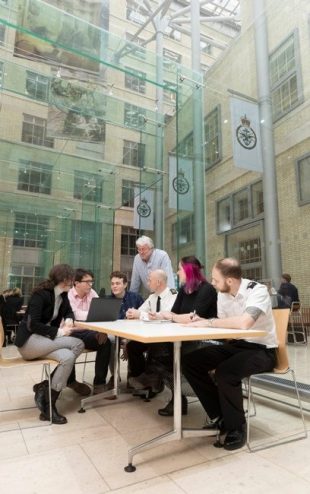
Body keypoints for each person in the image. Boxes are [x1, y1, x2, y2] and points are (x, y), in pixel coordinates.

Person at [182, 258, 278, 451]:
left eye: (216, 280)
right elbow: (225, 327)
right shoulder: (223, 295)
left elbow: (244, 323)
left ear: (230, 281)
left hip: (263, 350)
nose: (213, 283)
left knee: (225, 372)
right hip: (237, 345)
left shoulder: (257, 291)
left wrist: (209, 323)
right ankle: (221, 415)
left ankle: (236, 427)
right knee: (190, 361)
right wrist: (203, 321)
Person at [14, 264, 86, 425]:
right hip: (29, 343)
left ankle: (48, 405)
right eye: (70, 279)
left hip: (44, 341)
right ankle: (46, 388)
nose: (72, 282)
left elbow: (68, 311)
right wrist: (59, 333)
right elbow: (33, 325)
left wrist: (68, 319)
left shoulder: (63, 295)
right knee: (78, 344)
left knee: (67, 357)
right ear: (61, 279)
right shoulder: (40, 294)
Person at [155, 256, 218, 417]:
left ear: (189, 271)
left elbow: (193, 317)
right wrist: (171, 316)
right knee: (157, 351)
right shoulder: (184, 290)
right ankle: (178, 397)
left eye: (179, 268)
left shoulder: (207, 289)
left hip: (205, 340)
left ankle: (186, 394)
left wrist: (173, 317)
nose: (177, 272)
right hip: (186, 335)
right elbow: (175, 313)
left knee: (165, 352)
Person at [125, 269, 177, 392]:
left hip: (166, 337)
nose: (147, 283)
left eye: (149, 280)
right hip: (151, 335)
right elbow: (140, 311)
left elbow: (164, 317)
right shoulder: (152, 297)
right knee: (132, 346)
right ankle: (141, 378)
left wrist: (141, 314)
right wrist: (132, 313)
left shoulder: (173, 295)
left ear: (158, 282)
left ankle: (152, 380)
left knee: (155, 348)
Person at [68, 268, 111, 394]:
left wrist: (102, 330)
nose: (90, 284)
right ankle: (71, 382)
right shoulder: (68, 295)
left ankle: (99, 384)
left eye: (91, 281)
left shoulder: (91, 292)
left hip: (87, 331)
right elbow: (74, 314)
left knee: (105, 342)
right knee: (68, 347)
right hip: (70, 332)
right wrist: (93, 314)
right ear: (76, 283)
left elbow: (99, 312)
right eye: (87, 282)